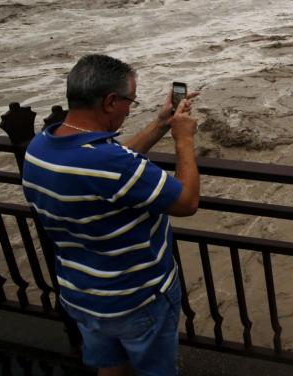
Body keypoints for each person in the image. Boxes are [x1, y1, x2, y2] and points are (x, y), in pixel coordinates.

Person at [22, 54, 199, 376]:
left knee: (110, 367)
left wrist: (161, 122)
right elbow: (186, 202)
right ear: (110, 101)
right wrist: (183, 139)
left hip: (82, 294)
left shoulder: (40, 147)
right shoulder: (112, 165)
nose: (130, 108)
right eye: (130, 100)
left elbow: (114, 168)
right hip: (137, 299)